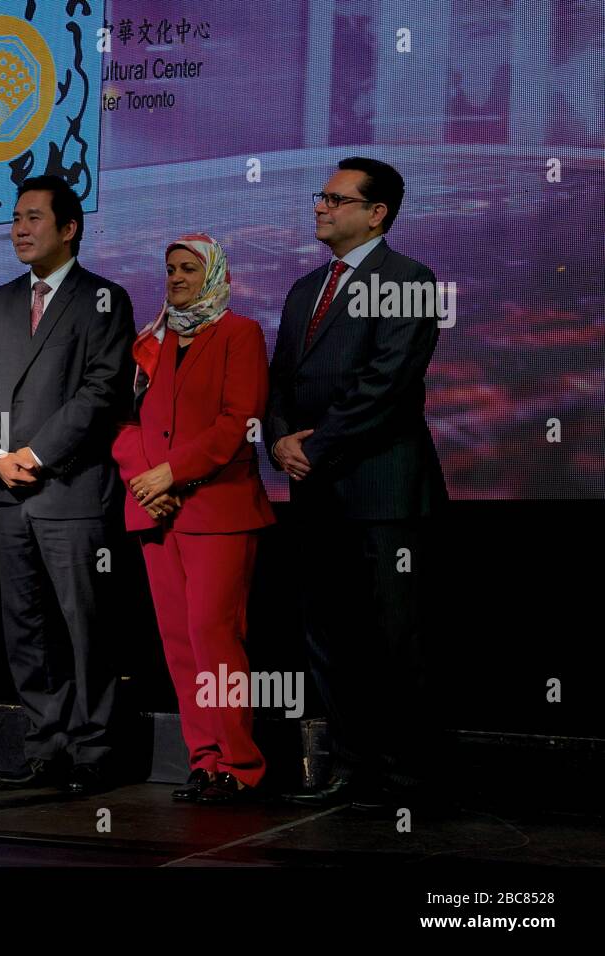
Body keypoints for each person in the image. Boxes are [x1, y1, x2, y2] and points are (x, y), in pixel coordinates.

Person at [263, 157, 447, 809]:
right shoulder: (302, 289)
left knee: (397, 639)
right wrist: (279, 435)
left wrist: (316, 448)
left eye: (336, 199)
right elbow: (279, 380)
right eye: (322, 196)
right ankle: (352, 767)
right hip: (315, 496)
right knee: (329, 636)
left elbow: (386, 386)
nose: (321, 206)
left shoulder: (412, 281)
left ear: (377, 213)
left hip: (385, 494)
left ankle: (408, 779)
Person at [0, 174, 135, 796]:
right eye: (15, 218)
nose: (19, 228)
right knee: (26, 626)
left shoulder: (104, 300)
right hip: (8, 493)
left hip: (72, 490)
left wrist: (33, 453)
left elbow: (100, 392)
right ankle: (46, 745)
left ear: (69, 229)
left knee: (86, 627)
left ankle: (95, 749)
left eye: (34, 218)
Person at [112, 234, 275, 804]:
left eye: (188, 268)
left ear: (212, 274)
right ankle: (204, 761)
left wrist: (170, 475)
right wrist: (145, 481)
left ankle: (241, 765)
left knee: (214, 636)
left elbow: (238, 423)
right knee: (179, 643)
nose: (176, 277)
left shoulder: (240, 333)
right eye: (170, 269)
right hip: (156, 515)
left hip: (217, 510)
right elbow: (126, 424)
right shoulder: (150, 342)